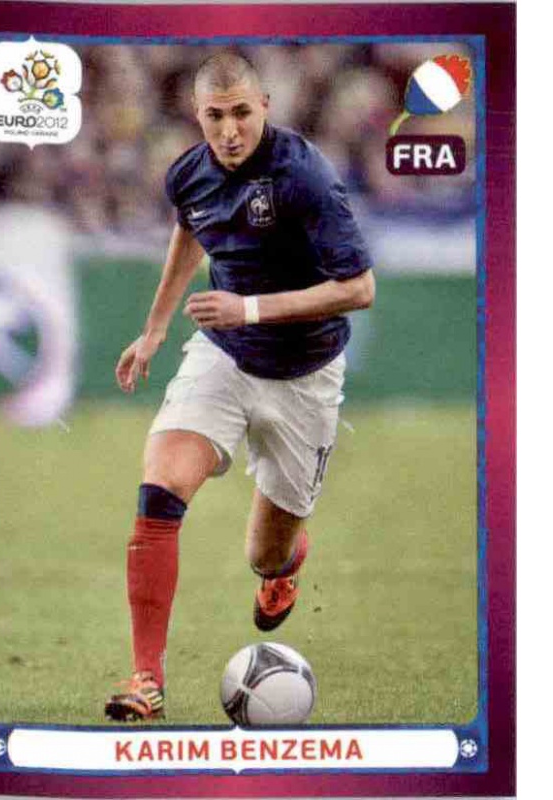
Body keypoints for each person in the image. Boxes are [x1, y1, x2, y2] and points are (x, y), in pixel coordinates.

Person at [105, 51, 375, 722]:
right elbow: (189, 232)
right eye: (215, 117)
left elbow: (359, 289)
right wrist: (155, 330)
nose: (229, 131)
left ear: (266, 108)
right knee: (159, 488)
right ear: (197, 115)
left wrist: (248, 308)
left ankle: (284, 568)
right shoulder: (188, 174)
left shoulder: (304, 175)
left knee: (266, 552)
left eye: (242, 114)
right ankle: (145, 679)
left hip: (305, 376)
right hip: (222, 357)